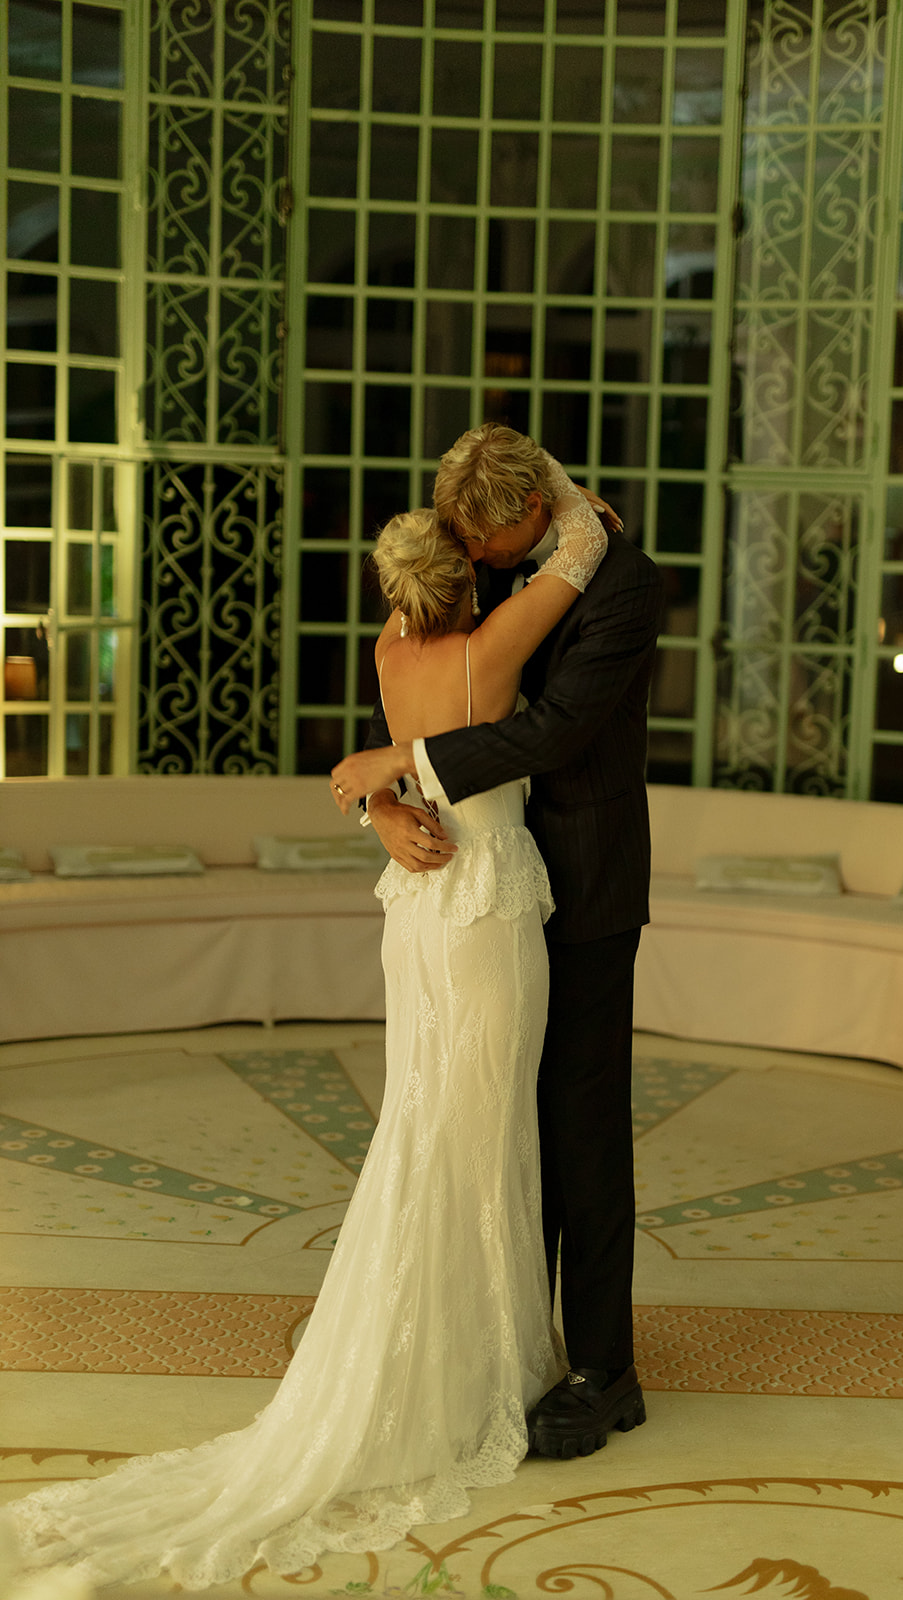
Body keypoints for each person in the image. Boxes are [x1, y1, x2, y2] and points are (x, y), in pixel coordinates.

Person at [5, 504, 606, 1590]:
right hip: (485, 909)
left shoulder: (389, 651)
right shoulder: (490, 645)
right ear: (463, 581)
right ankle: (483, 1367)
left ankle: (436, 1344)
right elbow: (581, 555)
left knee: (425, 1116)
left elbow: (381, 760)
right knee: (482, 1127)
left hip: (413, 911)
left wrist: (376, 797)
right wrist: (563, 500)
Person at [336, 424, 664, 1459]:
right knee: (491, 1125)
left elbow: (553, 730)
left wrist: (405, 764)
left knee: (579, 1126)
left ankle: (602, 1370)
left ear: (533, 511)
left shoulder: (622, 582)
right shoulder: (490, 559)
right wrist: (380, 804)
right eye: (466, 546)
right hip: (484, 890)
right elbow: (406, 686)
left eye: (489, 541)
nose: (476, 561)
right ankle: (509, 1341)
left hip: (586, 885)